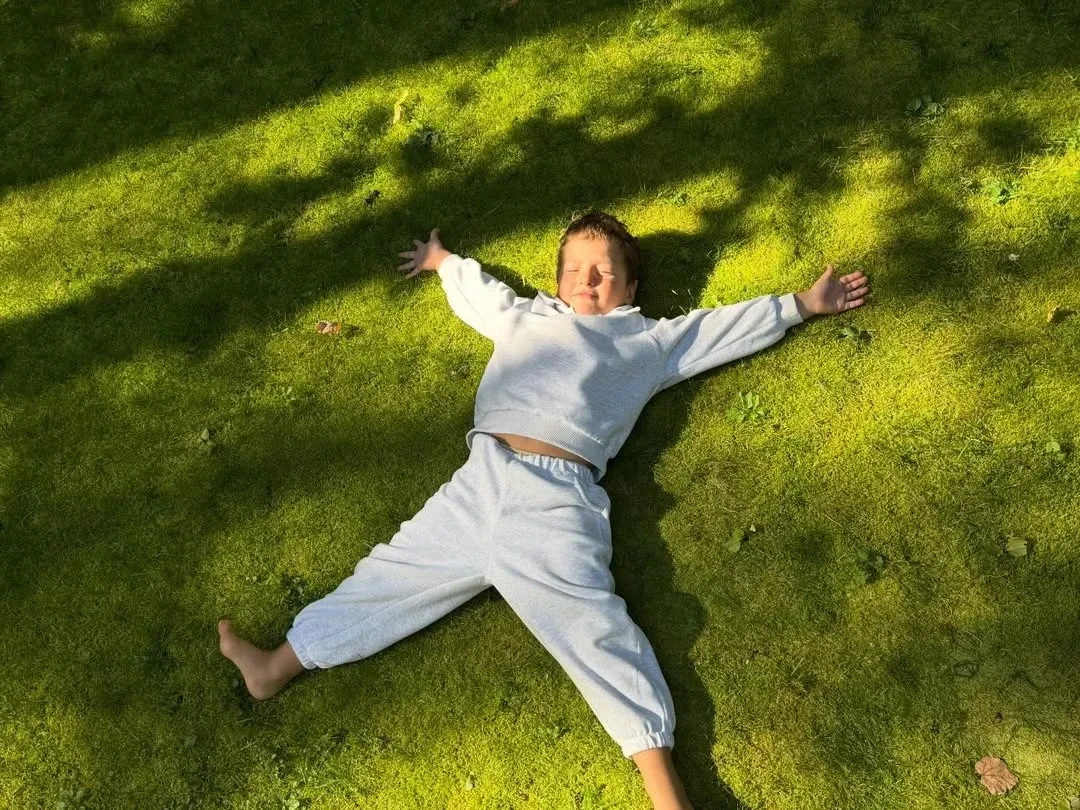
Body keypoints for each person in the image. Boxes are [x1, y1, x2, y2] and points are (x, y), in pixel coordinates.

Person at [218, 211, 871, 809]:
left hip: (558, 502)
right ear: (557, 281)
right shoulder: (524, 318)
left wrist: (800, 304)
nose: (588, 281)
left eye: (604, 272)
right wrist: (443, 262)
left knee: (597, 634)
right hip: (478, 484)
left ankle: (667, 793)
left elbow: (714, 330)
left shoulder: (646, 342)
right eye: (575, 270)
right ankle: (274, 667)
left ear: (630, 287)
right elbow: (482, 295)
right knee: (388, 577)